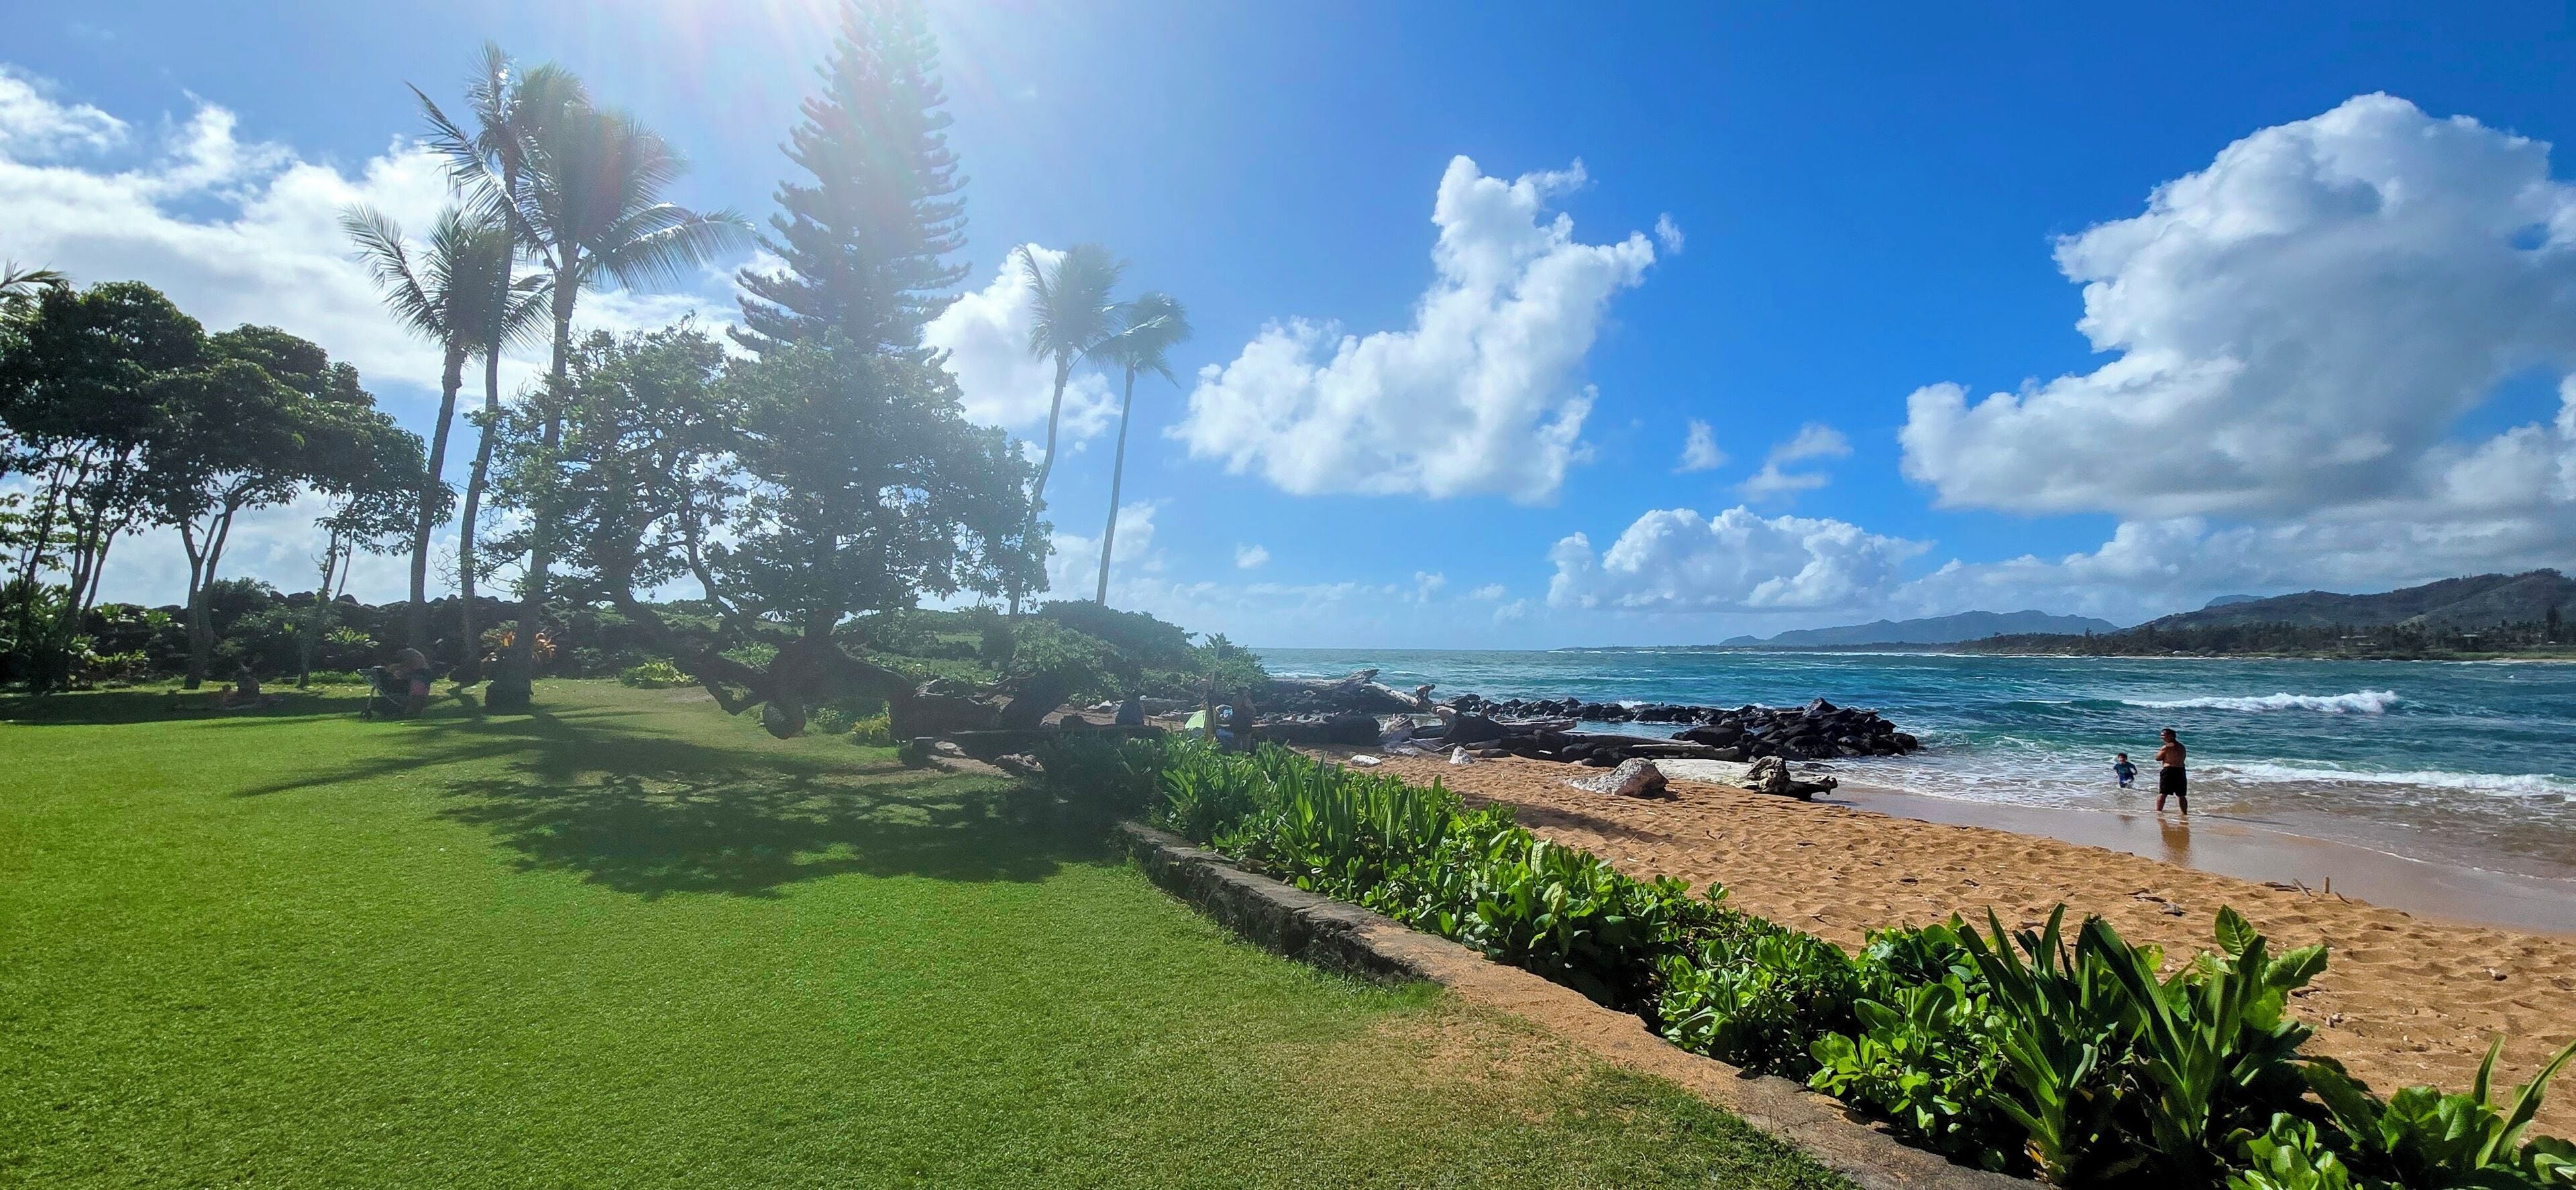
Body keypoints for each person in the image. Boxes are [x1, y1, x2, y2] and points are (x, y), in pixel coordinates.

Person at [2154, 728, 2188, 815]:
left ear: (2170, 736)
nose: (2162, 738)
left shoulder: (2166, 747)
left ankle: (2158, 812)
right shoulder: (2182, 747)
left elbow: (2157, 758)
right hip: (2180, 771)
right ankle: (2184, 813)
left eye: (2163, 736)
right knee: (2181, 795)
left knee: (2163, 793)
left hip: (2169, 771)